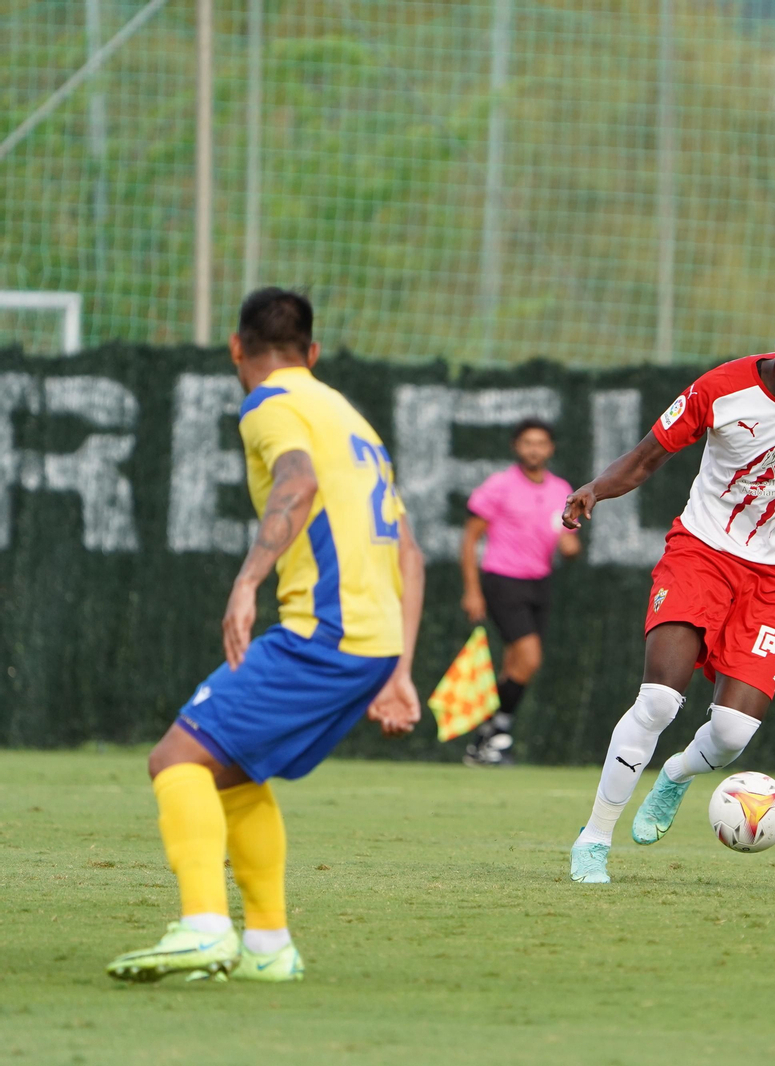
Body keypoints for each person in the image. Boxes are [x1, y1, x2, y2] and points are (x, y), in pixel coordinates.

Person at [105, 288, 424, 983]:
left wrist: (248, 580)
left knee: (176, 760)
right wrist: (399, 667)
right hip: (368, 644)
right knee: (234, 772)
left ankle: (203, 927)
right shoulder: (349, 417)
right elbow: (410, 553)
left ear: (236, 349)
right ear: (312, 353)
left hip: (325, 634)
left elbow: (297, 482)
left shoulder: (270, 405)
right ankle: (268, 947)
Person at [559, 297, 775, 884]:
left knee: (731, 735)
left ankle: (674, 776)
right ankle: (594, 838)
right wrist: (595, 489)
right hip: (701, 554)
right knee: (658, 701)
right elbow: (647, 459)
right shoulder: (720, 389)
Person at [458, 418, 581, 767]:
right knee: (530, 658)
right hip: (502, 579)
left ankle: (485, 740)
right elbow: (469, 539)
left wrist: (571, 546)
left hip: (539, 582)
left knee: (515, 665)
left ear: (551, 448)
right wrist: (472, 591)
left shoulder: (561, 489)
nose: (534, 449)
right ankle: (499, 733)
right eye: (528, 442)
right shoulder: (499, 486)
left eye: (541, 443)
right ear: (516, 446)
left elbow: (566, 535)